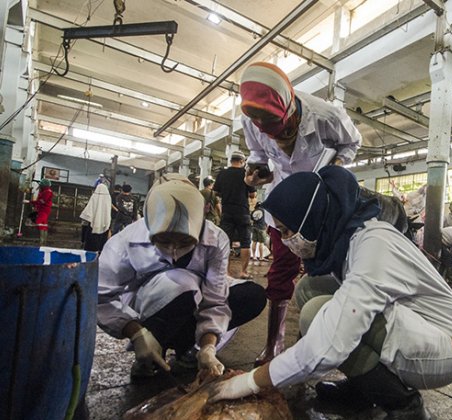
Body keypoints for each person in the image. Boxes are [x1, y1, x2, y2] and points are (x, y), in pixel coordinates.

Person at [208, 166, 452, 420]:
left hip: (444, 347)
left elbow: (329, 342)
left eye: (287, 230)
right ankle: (366, 389)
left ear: (311, 219)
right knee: (310, 287)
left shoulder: (373, 245)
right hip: (411, 323)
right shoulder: (348, 235)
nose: (284, 241)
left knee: (316, 314)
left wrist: (249, 382)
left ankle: (408, 409)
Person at [238, 61, 362, 365]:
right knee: (281, 269)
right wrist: (257, 173)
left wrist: (333, 169)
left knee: (324, 271)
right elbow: (259, 155)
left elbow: (353, 142)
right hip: (283, 206)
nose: (275, 138)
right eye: (258, 123)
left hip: (321, 205)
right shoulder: (251, 120)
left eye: (282, 131)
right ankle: (274, 344)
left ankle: (316, 341)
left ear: (290, 109)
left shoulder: (327, 116)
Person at [97, 174, 266, 379]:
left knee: (251, 294)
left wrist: (207, 346)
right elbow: (101, 298)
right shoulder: (124, 242)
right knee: (182, 284)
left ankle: (190, 350)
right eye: (163, 241)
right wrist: (136, 333)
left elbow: (215, 299)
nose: (173, 249)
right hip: (147, 309)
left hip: (194, 302)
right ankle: (153, 348)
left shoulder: (215, 238)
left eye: (185, 242)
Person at [213, 151, 257, 279]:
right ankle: (243, 272)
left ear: (231, 160)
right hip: (242, 211)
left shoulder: (222, 174)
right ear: (242, 161)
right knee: (245, 242)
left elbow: (216, 193)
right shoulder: (245, 173)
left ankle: (226, 272)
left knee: (225, 242)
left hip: (227, 211)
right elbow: (253, 194)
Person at [80, 183, 112, 252]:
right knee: (101, 241)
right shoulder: (108, 198)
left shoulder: (94, 196)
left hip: (93, 223)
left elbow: (89, 209)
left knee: (90, 242)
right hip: (104, 224)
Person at [32, 178, 53, 246]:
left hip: (44, 210)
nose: (40, 186)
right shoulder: (44, 191)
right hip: (42, 209)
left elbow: (42, 201)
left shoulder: (47, 192)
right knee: (43, 224)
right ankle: (43, 241)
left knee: (40, 223)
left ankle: (42, 242)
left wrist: (31, 202)